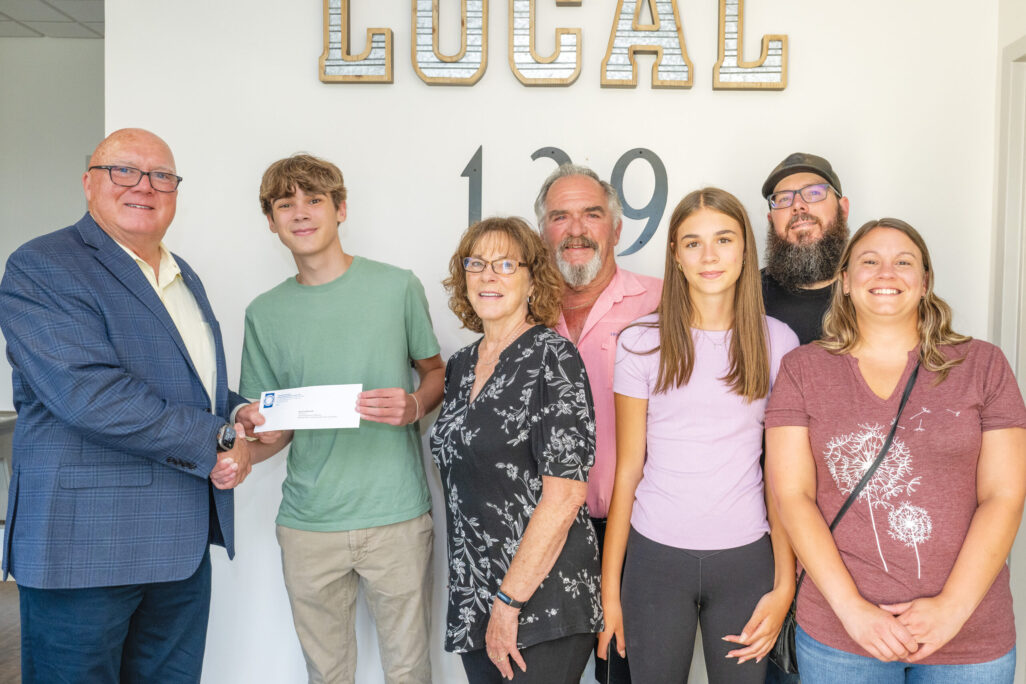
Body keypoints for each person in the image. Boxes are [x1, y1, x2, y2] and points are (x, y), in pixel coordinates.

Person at [0, 128, 252, 683]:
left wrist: (239, 413)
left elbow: (184, 383)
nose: (144, 186)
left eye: (162, 175)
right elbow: (88, 394)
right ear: (89, 183)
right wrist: (218, 436)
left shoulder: (181, 274)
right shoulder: (43, 264)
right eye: (124, 171)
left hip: (179, 547)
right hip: (84, 550)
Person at [765, 218, 1026, 682]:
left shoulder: (983, 365)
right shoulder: (802, 369)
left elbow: (1004, 496)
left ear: (924, 282)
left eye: (903, 262)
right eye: (869, 261)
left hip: (969, 635)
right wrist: (852, 611)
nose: (886, 273)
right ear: (845, 281)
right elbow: (793, 496)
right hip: (842, 634)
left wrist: (952, 608)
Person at [237, 154, 444, 684]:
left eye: (314, 200)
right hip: (308, 525)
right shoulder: (264, 313)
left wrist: (415, 405)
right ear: (271, 220)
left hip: (396, 516)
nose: (301, 213)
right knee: (326, 675)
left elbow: (435, 372)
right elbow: (274, 430)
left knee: (409, 672)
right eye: (286, 204)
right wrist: (245, 446)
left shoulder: (397, 287)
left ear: (341, 209)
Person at [600, 187, 799, 683]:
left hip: (747, 561)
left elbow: (782, 478)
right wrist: (610, 592)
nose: (709, 256)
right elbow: (628, 470)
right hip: (654, 560)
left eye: (724, 239)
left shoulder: (778, 341)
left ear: (745, 248)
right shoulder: (641, 342)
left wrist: (784, 585)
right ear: (676, 254)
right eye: (693, 243)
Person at [431, 217, 602, 683]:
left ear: (532, 280)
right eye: (477, 264)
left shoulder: (554, 357)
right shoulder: (460, 366)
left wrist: (509, 603)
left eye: (506, 264)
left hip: (541, 596)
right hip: (476, 597)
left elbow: (565, 495)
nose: (489, 276)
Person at [535, 164, 661, 682]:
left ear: (617, 229)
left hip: (638, 534)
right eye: (559, 217)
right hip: (543, 535)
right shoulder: (520, 311)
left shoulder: (663, 302)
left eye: (591, 214)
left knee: (623, 674)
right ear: (542, 232)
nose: (576, 229)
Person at [761, 152, 850, 345]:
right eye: (783, 199)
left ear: (843, 209)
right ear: (771, 221)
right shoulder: (746, 296)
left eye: (814, 193)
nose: (798, 206)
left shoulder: (873, 289)